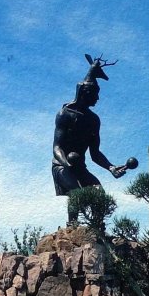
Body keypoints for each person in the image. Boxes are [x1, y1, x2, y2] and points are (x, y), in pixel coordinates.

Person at [52, 55, 127, 223]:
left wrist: (111, 167)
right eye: (95, 94)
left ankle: (97, 227)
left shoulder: (94, 120)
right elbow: (57, 147)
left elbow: (95, 153)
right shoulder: (65, 114)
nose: (98, 98)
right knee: (77, 192)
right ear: (86, 93)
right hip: (62, 166)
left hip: (80, 167)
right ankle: (72, 226)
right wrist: (66, 163)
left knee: (98, 191)